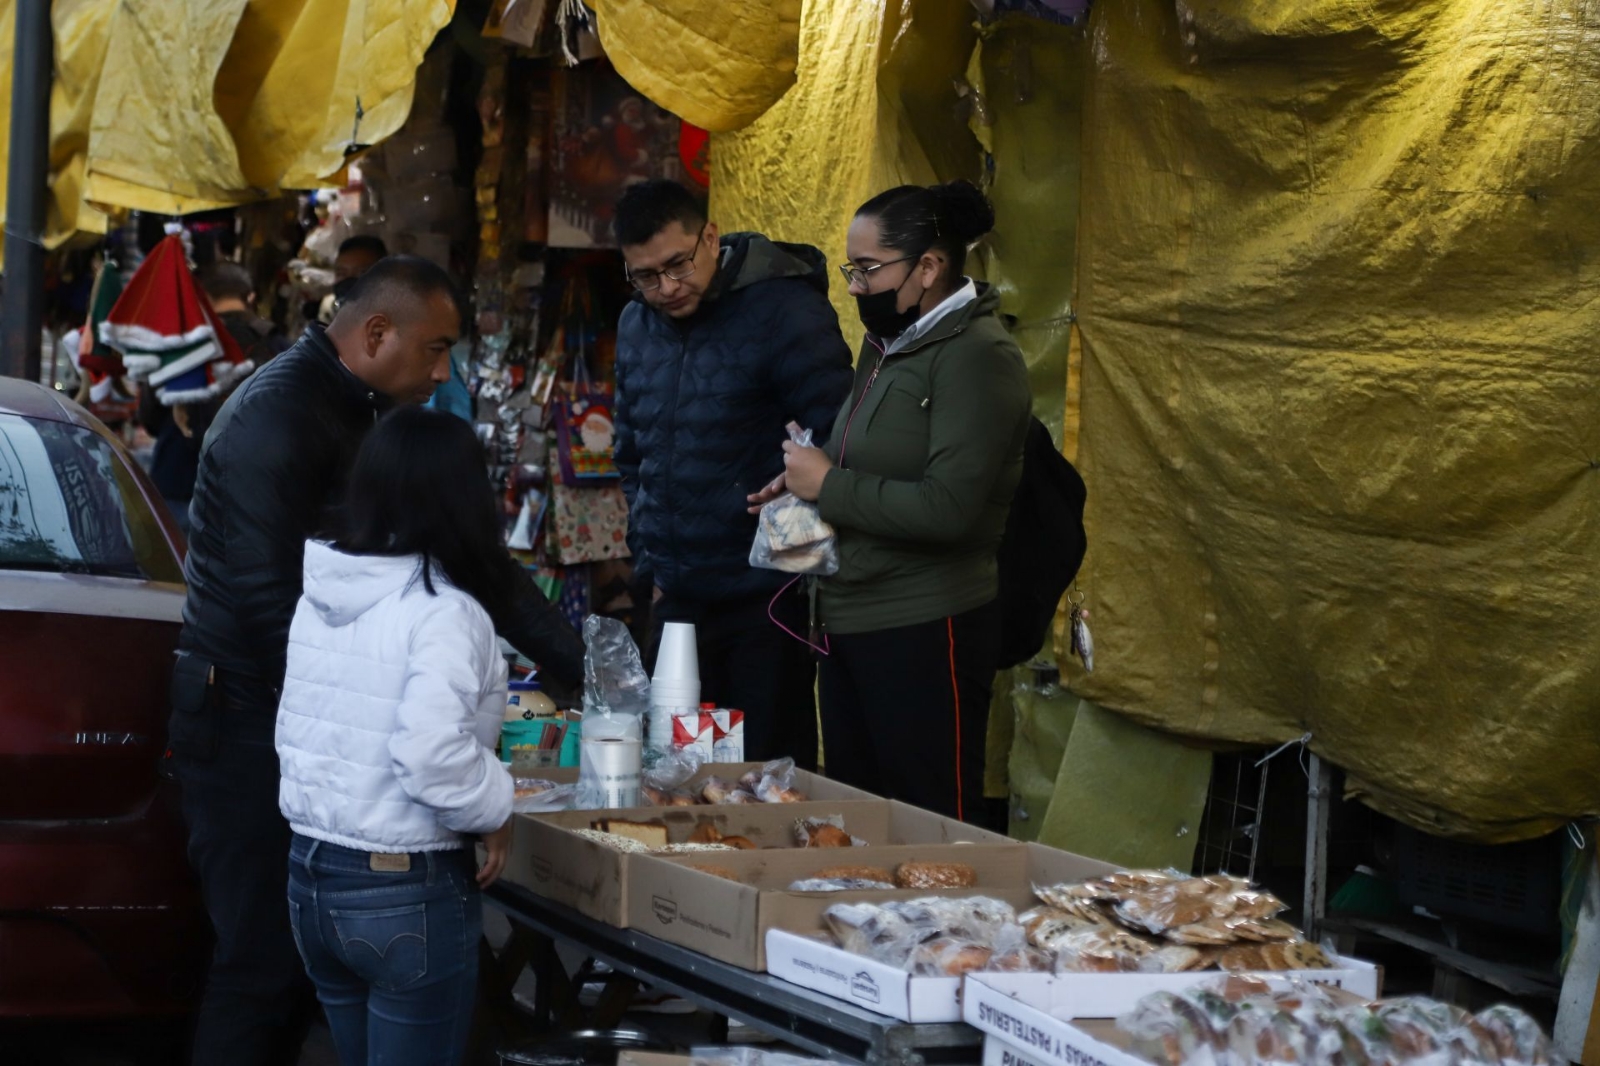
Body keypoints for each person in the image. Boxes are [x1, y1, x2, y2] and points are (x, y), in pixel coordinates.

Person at [168, 256, 585, 1066]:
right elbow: (265, 605)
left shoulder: (369, 409)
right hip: (245, 716)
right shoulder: (277, 418)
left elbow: (478, 560)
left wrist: (586, 667)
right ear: (376, 333)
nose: (444, 371)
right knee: (260, 966)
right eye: (435, 349)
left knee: (293, 975)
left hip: (302, 719)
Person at [750, 181, 1029, 829]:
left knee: (929, 825)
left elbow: (948, 510)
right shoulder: (885, 346)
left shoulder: (979, 358)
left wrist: (831, 486)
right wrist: (803, 480)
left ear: (929, 267)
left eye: (868, 269)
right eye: (852, 268)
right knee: (859, 825)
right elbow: (868, 455)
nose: (853, 286)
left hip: (926, 627)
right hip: (849, 618)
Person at [276, 406, 516, 1066]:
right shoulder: (444, 611)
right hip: (402, 887)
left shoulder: (323, 595)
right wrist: (497, 808)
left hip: (312, 878)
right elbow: (431, 758)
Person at [613, 179, 853, 769]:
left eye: (678, 264)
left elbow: (842, 430)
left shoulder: (785, 309)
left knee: (763, 771)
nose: (666, 288)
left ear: (711, 237)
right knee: (676, 772)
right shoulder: (635, 325)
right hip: (676, 595)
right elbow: (630, 453)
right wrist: (651, 565)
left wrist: (802, 477)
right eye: (646, 276)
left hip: (768, 596)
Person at [137, 262, 288, 534]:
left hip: (178, 482)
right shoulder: (279, 347)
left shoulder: (178, 345)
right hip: (251, 491)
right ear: (251, 298)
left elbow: (149, 417)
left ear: (200, 300)